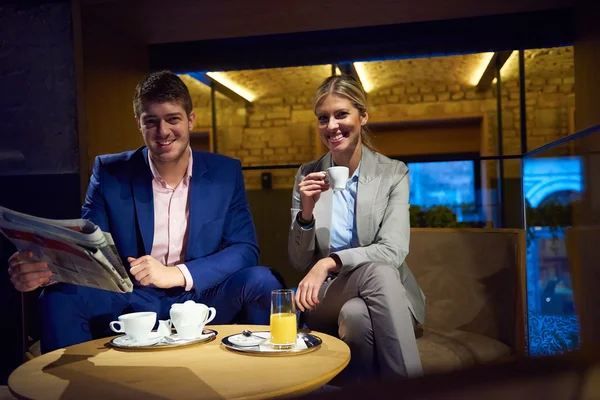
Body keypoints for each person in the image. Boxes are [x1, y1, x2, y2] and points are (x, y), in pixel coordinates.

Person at [7, 70, 283, 353]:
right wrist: (48, 269)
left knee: (261, 280)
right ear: (139, 124)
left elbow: (245, 248)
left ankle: (263, 384)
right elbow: (91, 246)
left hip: (203, 295)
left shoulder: (226, 172)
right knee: (59, 296)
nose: (163, 132)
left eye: (173, 119)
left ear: (190, 120)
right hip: (131, 297)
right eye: (151, 121)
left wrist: (177, 273)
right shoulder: (109, 172)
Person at [288, 75, 425, 380]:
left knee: (357, 316)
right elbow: (298, 261)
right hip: (327, 295)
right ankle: (416, 392)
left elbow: (393, 250)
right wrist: (306, 214)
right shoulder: (307, 174)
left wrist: (329, 261)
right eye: (323, 118)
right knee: (373, 276)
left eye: (341, 114)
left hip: (383, 293)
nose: (331, 126)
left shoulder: (393, 173)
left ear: (362, 116)